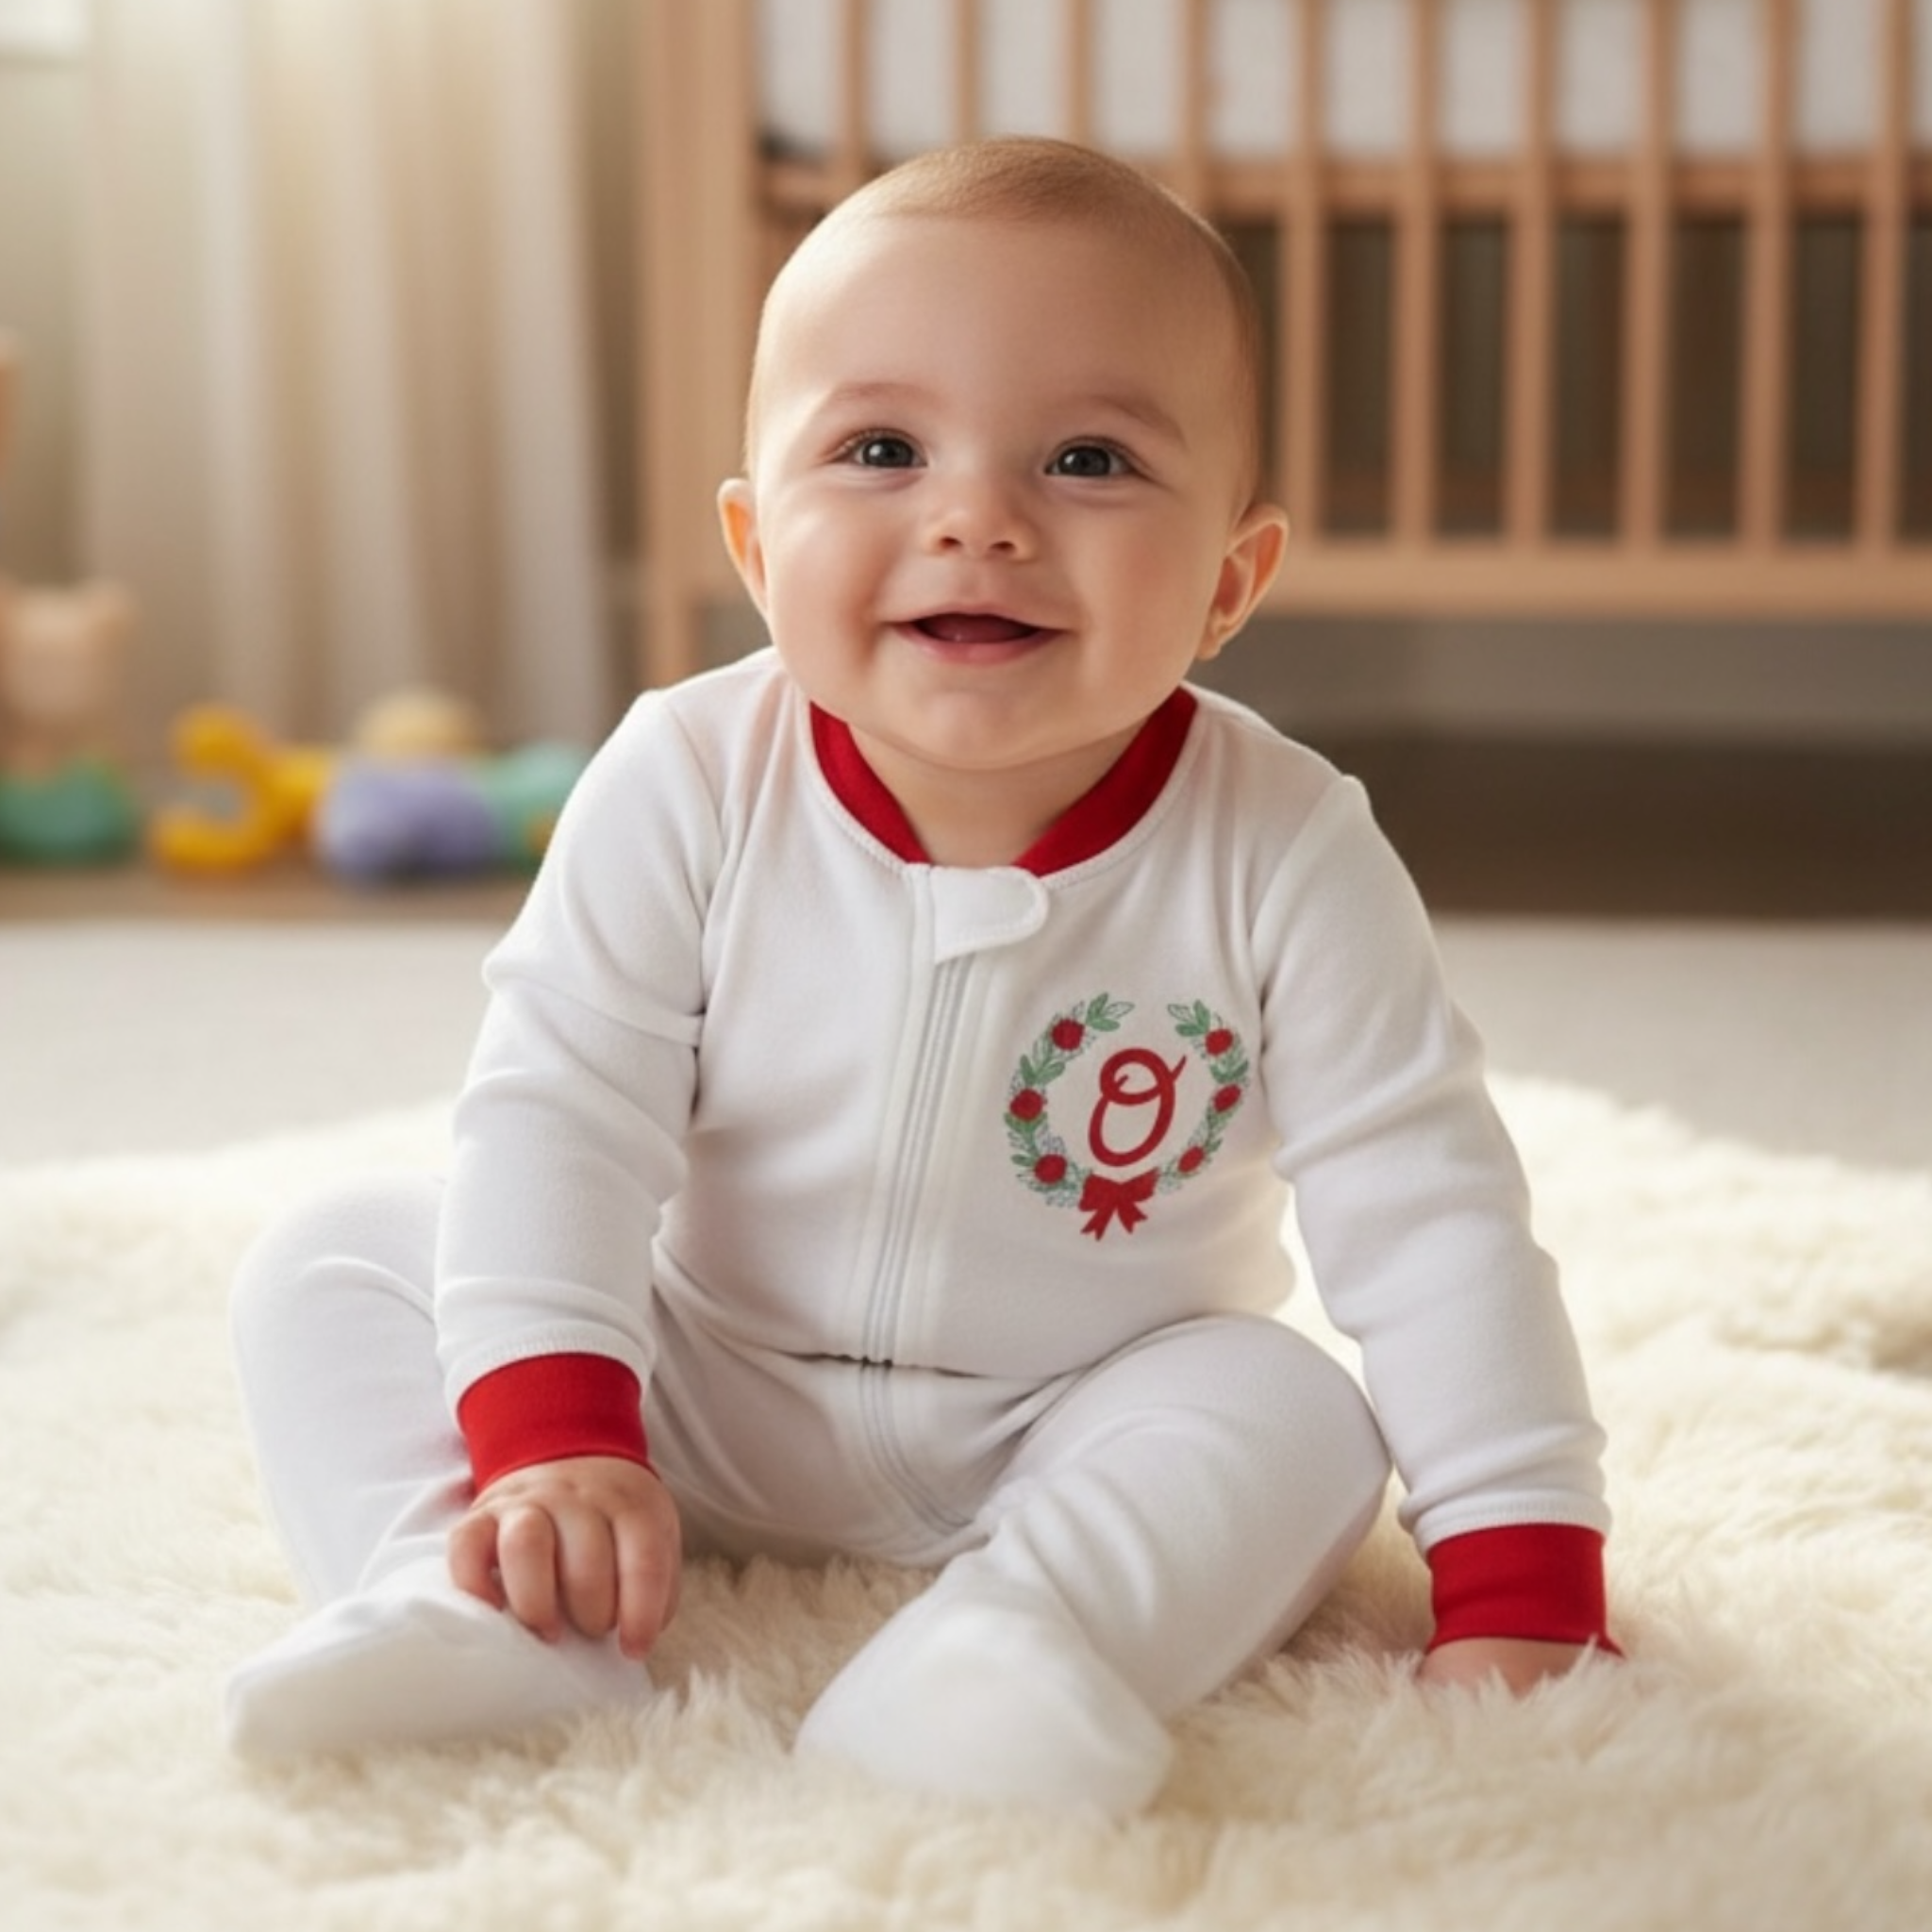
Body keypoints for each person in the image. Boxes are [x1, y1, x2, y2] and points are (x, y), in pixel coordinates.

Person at [225, 137, 1615, 1815]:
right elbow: (562, 1111)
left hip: (1069, 1414)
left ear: (1232, 582)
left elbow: (1430, 1209)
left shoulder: (1286, 847)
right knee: (341, 1254)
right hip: (698, 1375)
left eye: (1089, 459)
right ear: (754, 545)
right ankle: (476, 1595)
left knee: (1297, 1412)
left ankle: (1017, 1650)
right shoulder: (687, 775)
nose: (979, 518)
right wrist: (559, 1435)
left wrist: (1525, 1574)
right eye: (881, 448)